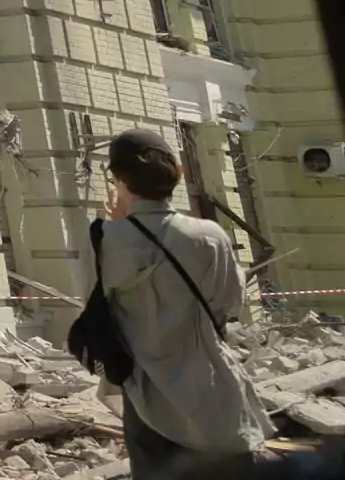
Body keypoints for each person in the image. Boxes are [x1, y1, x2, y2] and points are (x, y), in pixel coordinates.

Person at [91, 127, 272, 479]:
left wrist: (120, 226)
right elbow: (232, 304)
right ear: (178, 172)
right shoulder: (210, 235)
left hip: (146, 397)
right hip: (212, 387)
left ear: (119, 179)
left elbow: (96, 314)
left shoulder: (105, 240)